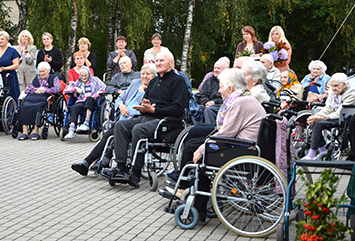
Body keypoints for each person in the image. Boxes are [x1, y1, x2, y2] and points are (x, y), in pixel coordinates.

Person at [173, 68, 266, 220]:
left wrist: (202, 149)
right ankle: (190, 192)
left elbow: (226, 133)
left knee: (197, 152)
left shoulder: (239, 102)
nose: (219, 90)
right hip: (244, 144)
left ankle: (195, 202)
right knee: (194, 142)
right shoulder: (243, 98)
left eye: (221, 87)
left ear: (230, 88)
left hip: (242, 148)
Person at [109, 50, 188, 187]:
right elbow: (149, 102)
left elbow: (178, 110)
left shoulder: (178, 81)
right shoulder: (154, 81)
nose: (158, 63)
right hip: (147, 117)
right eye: (156, 61)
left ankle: (135, 172)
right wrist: (145, 105)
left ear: (171, 63)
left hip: (166, 122)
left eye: (161, 60)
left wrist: (155, 109)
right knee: (120, 125)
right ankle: (121, 167)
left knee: (138, 129)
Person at [71, 63, 157, 176]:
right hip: (122, 118)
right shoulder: (135, 83)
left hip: (136, 120)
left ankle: (97, 161)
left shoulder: (154, 87)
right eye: (143, 73)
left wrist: (142, 91)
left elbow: (147, 104)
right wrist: (121, 106)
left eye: (148, 74)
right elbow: (121, 98)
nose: (144, 76)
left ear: (154, 76)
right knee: (109, 134)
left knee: (111, 134)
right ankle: (94, 161)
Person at [303, 73, 355, 160]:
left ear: (344, 84)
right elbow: (328, 107)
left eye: (336, 86)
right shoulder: (333, 91)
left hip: (345, 118)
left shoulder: (352, 92)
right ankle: (322, 151)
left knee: (318, 123)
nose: (333, 88)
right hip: (332, 116)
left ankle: (312, 153)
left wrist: (322, 118)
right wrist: (316, 116)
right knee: (314, 122)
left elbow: (340, 112)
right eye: (332, 86)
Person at [17, 62, 62, 141]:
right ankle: (25, 132)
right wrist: (36, 90)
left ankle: (36, 131)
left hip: (44, 97)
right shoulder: (36, 78)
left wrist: (45, 90)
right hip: (33, 96)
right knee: (24, 106)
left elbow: (57, 89)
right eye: (40, 71)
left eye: (43, 71)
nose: (41, 73)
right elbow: (28, 89)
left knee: (37, 106)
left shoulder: (54, 78)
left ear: (48, 71)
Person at [63, 66, 106, 139]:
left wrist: (96, 94)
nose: (83, 77)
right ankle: (72, 128)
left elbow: (105, 88)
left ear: (89, 74)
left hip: (92, 100)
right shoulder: (78, 82)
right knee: (74, 107)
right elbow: (66, 90)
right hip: (82, 100)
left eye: (85, 75)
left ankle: (86, 122)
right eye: (82, 76)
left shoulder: (95, 80)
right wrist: (75, 89)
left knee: (89, 99)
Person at [0, 30, 20, 101]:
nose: (0, 41)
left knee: (11, 95)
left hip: (9, 76)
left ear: (7, 40)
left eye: (2, 39)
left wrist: (5, 68)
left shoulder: (12, 51)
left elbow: (16, 65)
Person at [198, 58, 228, 125]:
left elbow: (227, 97)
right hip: (207, 104)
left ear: (225, 70)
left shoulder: (227, 82)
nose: (216, 70)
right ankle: (198, 128)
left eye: (219, 68)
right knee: (197, 109)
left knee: (209, 110)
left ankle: (209, 131)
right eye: (215, 68)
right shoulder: (209, 81)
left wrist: (214, 102)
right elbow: (202, 94)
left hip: (220, 105)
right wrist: (206, 102)